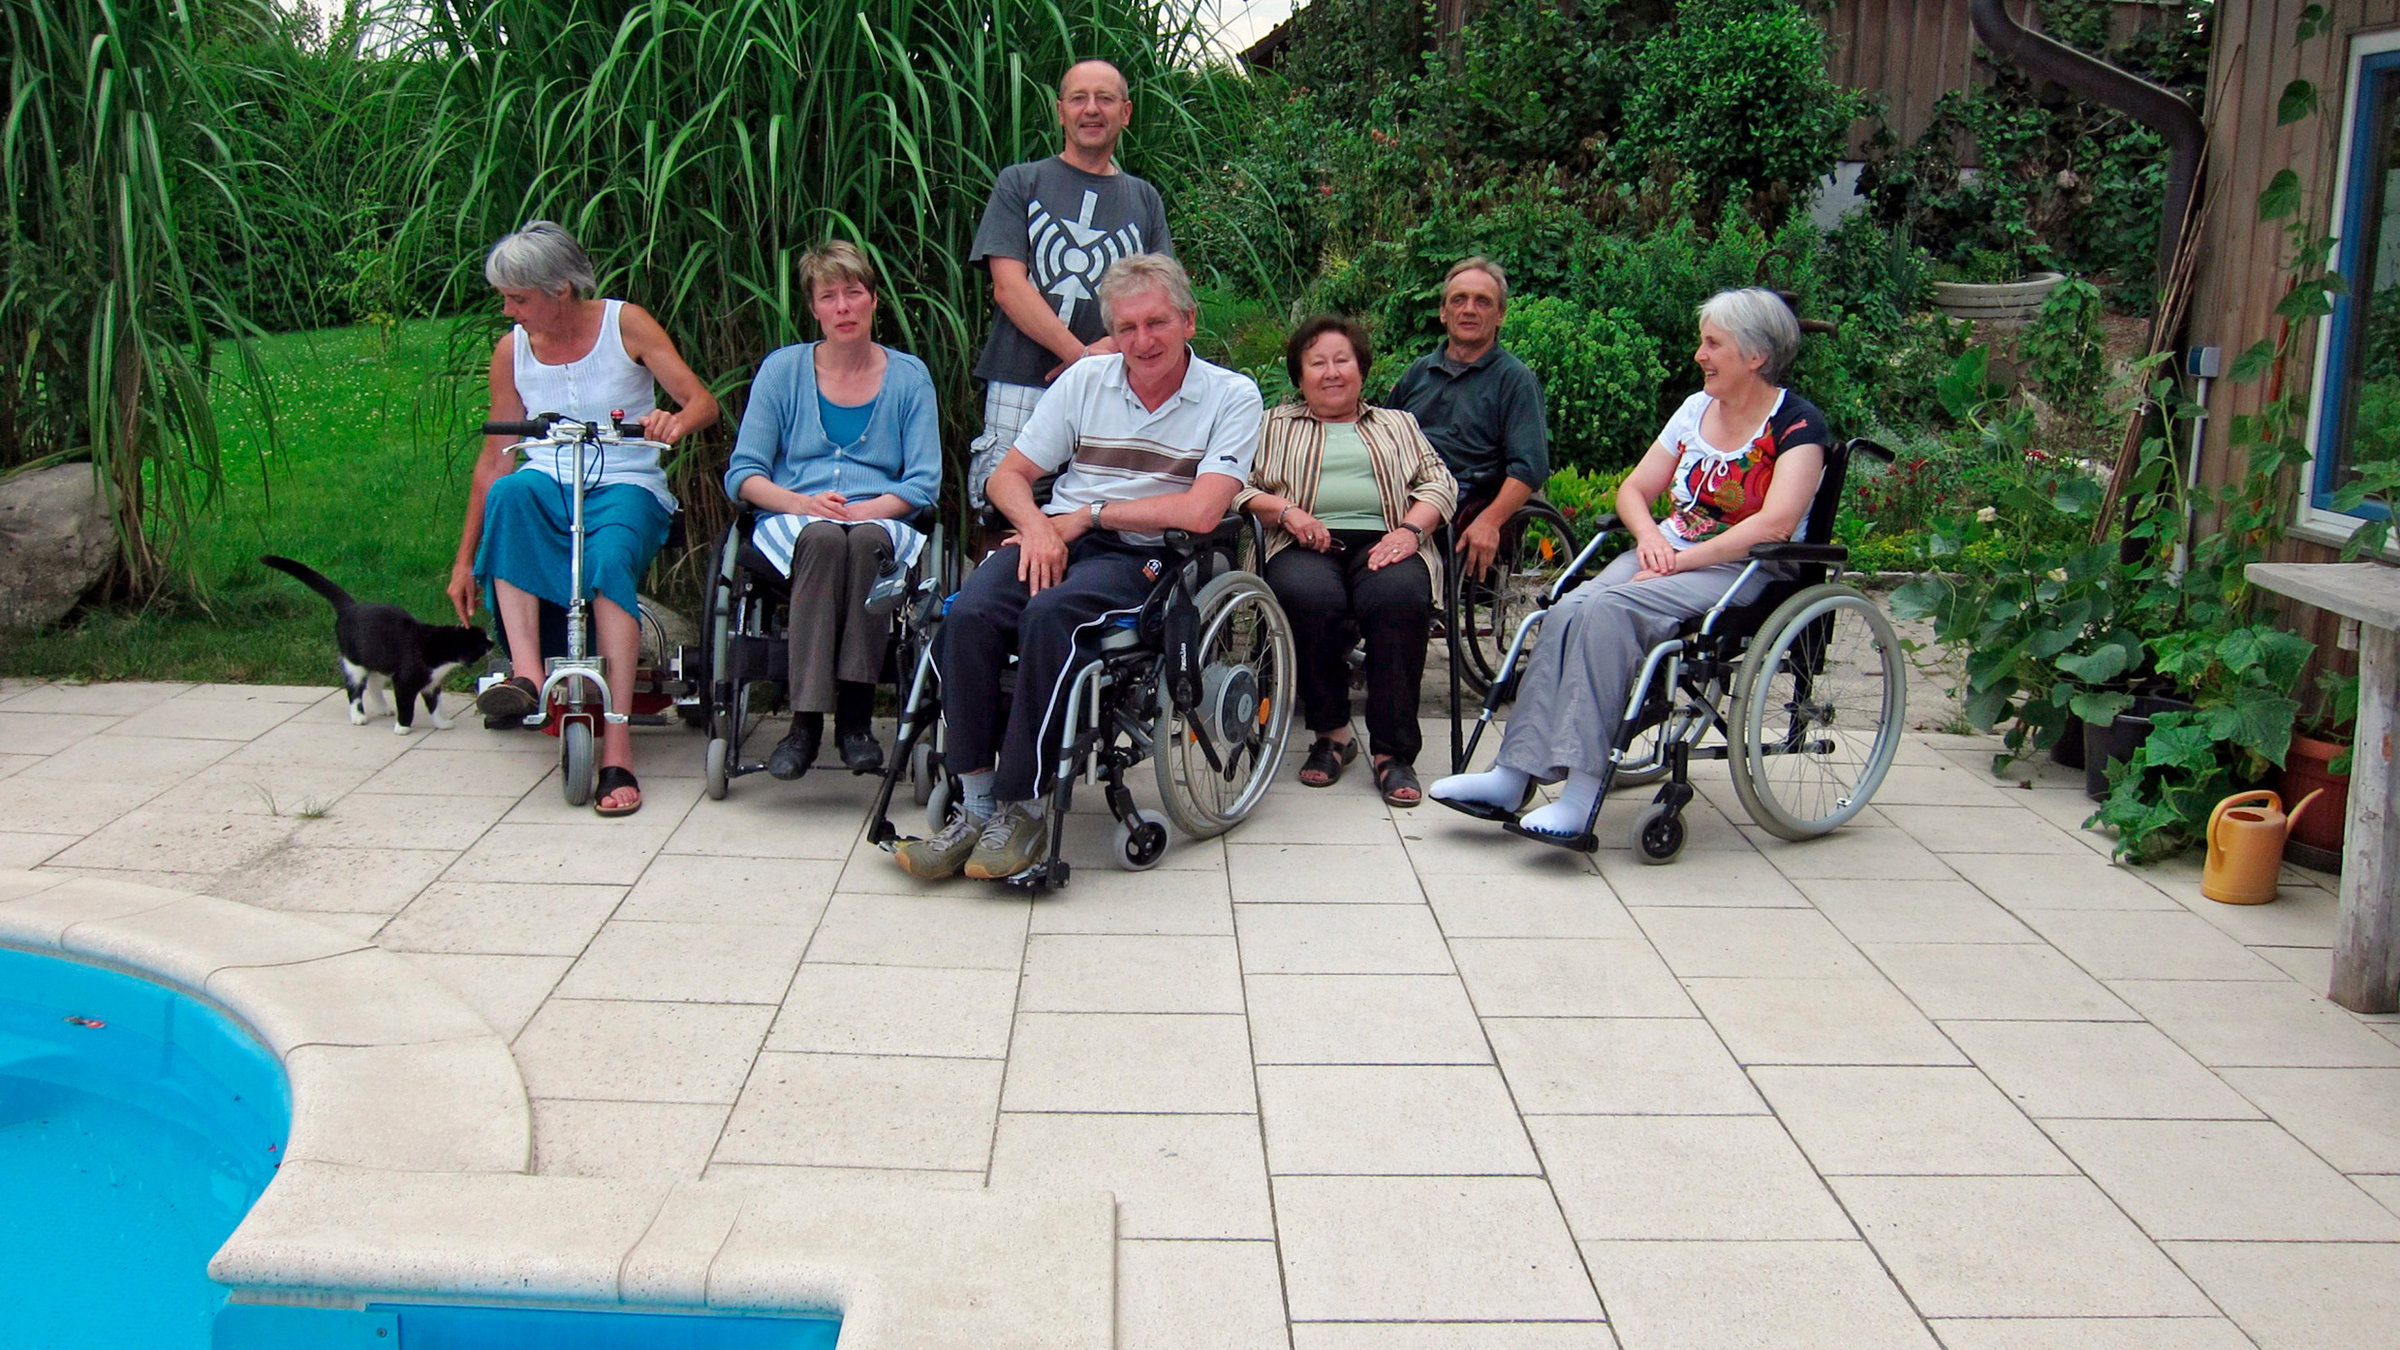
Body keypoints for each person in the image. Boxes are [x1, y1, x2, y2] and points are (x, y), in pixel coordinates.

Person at [896, 254, 1263, 882]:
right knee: (970, 613)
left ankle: (1026, 805)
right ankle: (977, 803)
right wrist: (1038, 529)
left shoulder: (1231, 395)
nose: (1141, 341)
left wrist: (1089, 515)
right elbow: (1010, 475)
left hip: (1152, 555)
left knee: (1051, 617)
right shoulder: (1086, 380)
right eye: (1126, 328)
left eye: (1157, 324)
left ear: (1189, 322)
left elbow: (1203, 512)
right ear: (1111, 332)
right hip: (1059, 536)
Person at [1429, 288, 1830, 843]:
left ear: (1755, 355)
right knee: (1568, 608)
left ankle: (1582, 792)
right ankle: (1511, 774)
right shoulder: (1696, 409)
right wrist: (1650, 539)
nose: (1700, 356)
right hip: (1669, 553)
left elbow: (1773, 525)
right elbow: (1635, 490)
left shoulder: (1797, 427)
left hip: (1742, 570)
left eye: (1712, 344)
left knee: (1608, 611)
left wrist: (1679, 560)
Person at [449, 221, 719, 818]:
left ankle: (617, 744)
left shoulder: (626, 324)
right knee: (512, 494)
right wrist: (465, 558)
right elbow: (494, 459)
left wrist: (673, 422)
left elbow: (701, 402)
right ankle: (524, 676)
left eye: (519, 298)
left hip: (625, 479)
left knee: (606, 562)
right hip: (548, 480)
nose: (509, 310)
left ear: (561, 288)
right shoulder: (512, 350)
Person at [722, 240, 941, 781]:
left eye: (853, 292)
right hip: (795, 515)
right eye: (829, 296)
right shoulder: (782, 371)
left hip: (880, 517)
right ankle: (805, 725)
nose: (842, 306)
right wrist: (802, 502)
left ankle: (856, 723)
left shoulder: (909, 377)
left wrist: (868, 509)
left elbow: (923, 483)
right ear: (814, 308)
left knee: (864, 541)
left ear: (872, 301)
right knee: (820, 537)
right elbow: (744, 474)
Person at [1237, 315, 1456, 807]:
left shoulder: (1398, 424)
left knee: (1398, 596)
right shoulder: (1271, 425)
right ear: (1300, 376)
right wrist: (1286, 512)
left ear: (1361, 370)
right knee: (1308, 595)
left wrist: (1410, 530)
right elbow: (1235, 487)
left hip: (1388, 541)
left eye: (1343, 360)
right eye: (1318, 363)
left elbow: (1440, 483)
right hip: (1299, 542)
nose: (1331, 372)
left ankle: (1393, 753)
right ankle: (1332, 734)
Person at [963, 58, 1173, 509]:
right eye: (1079, 98)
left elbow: (1161, 300)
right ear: (1061, 111)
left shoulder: (1145, 199)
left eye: (1105, 99)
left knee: (1094, 509)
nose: (1091, 110)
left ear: (1127, 112)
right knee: (1003, 506)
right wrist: (1080, 357)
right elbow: (1009, 286)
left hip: (1116, 385)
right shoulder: (1020, 182)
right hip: (1023, 378)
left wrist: (1107, 354)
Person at [1387, 256, 1549, 583]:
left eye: (1482, 302)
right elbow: (1380, 433)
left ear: (1501, 314)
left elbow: (1529, 467)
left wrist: (1491, 520)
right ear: (1444, 313)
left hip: (1463, 499)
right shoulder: (1418, 373)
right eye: (1458, 300)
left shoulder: (1514, 380)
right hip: (1399, 490)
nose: (1469, 309)